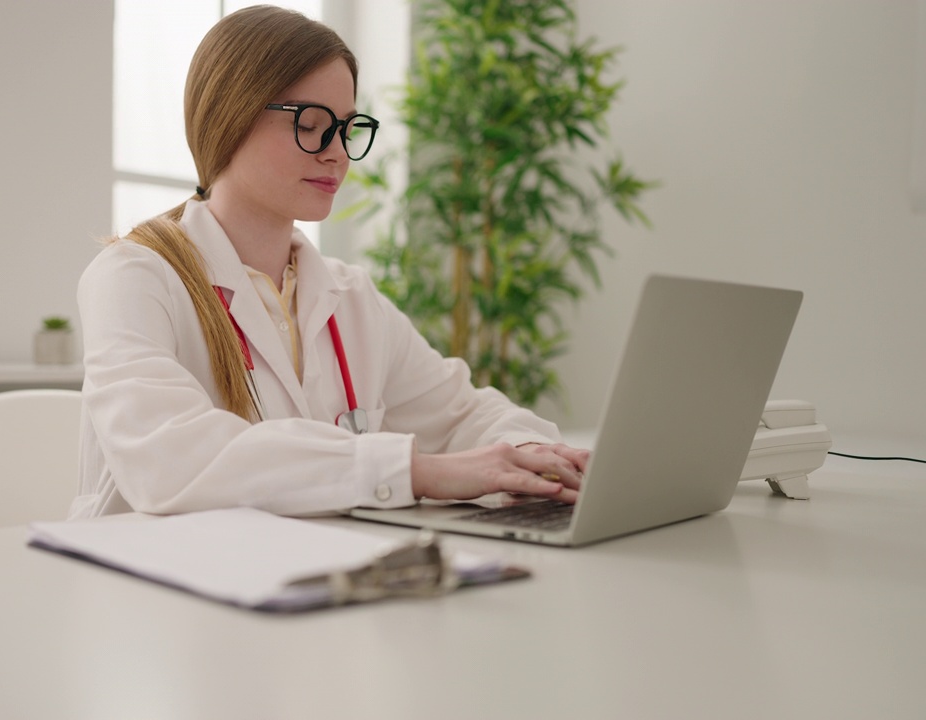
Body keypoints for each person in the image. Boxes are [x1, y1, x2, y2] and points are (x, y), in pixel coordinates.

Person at [71, 4, 589, 519]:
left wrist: (528, 457)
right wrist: (416, 471)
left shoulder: (350, 295)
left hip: (307, 573)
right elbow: (172, 461)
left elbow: (465, 415)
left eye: (346, 128)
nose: (337, 152)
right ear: (229, 115)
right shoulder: (135, 278)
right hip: (149, 586)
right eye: (312, 124)